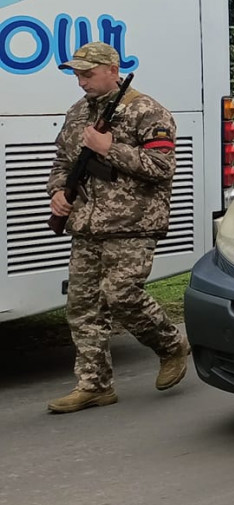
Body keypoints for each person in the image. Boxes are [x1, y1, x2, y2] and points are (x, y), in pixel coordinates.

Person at [44, 42, 188, 414]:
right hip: (87, 224)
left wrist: (110, 148)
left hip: (133, 222)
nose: (80, 82)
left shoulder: (147, 111)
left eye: (87, 74)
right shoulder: (78, 113)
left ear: (113, 69)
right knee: (82, 307)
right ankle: (94, 385)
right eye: (77, 74)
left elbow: (162, 167)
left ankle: (171, 344)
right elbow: (63, 160)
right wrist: (58, 192)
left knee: (121, 294)